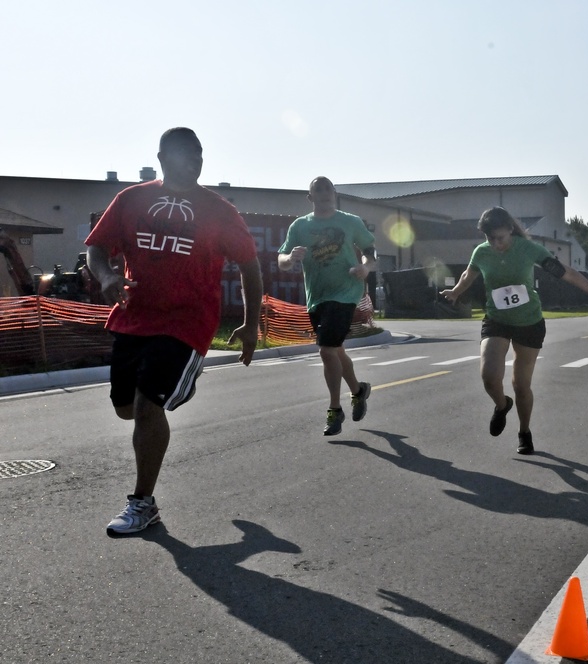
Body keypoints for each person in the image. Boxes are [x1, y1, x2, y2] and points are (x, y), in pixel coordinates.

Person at [86, 127, 263, 536]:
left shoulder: (218, 210)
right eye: (186, 153)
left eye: (200, 153)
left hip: (187, 322)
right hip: (135, 317)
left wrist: (252, 324)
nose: (195, 160)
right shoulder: (131, 199)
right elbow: (97, 248)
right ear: (163, 157)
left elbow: (249, 266)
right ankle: (172, 386)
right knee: (126, 409)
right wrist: (107, 275)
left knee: (148, 407)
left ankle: (142, 504)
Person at [440, 207, 588, 455]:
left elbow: (567, 273)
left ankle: (524, 432)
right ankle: (501, 405)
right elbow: (468, 274)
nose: (495, 244)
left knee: (520, 385)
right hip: (497, 319)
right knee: (489, 377)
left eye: (500, 238)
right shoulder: (481, 252)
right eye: (489, 239)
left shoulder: (529, 249)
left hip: (529, 322)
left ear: (510, 229)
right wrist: (455, 292)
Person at [278, 176, 376, 436]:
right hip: (317, 296)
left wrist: (365, 267)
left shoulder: (350, 221)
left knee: (326, 350)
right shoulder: (299, 226)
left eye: (328, 189)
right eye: (317, 190)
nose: (324, 194)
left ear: (334, 193)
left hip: (346, 292)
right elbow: (282, 260)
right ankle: (358, 390)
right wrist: (290, 257)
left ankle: (335, 410)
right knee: (335, 350)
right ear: (310, 198)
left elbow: (370, 250)